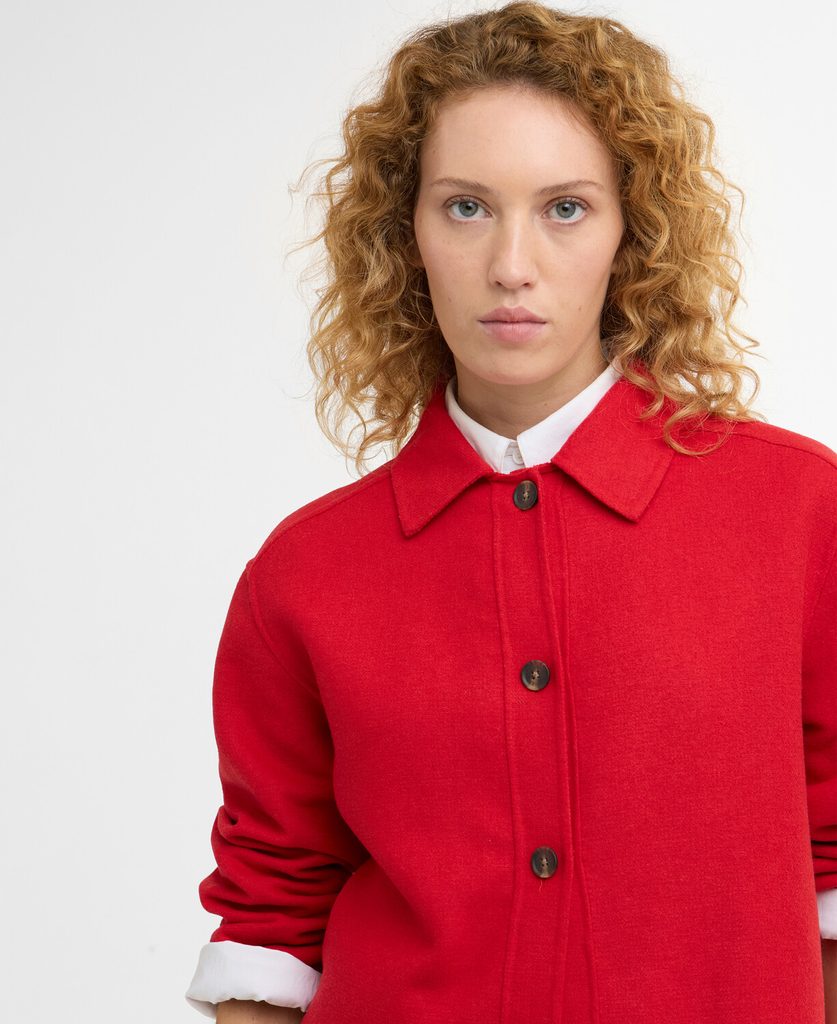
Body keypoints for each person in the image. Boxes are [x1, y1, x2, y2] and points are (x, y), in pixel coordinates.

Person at [184, 3, 837, 1022]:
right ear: (405, 233)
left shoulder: (796, 512)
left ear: (631, 231)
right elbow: (272, 913)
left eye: (565, 207)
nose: (511, 265)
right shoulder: (306, 573)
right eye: (466, 207)